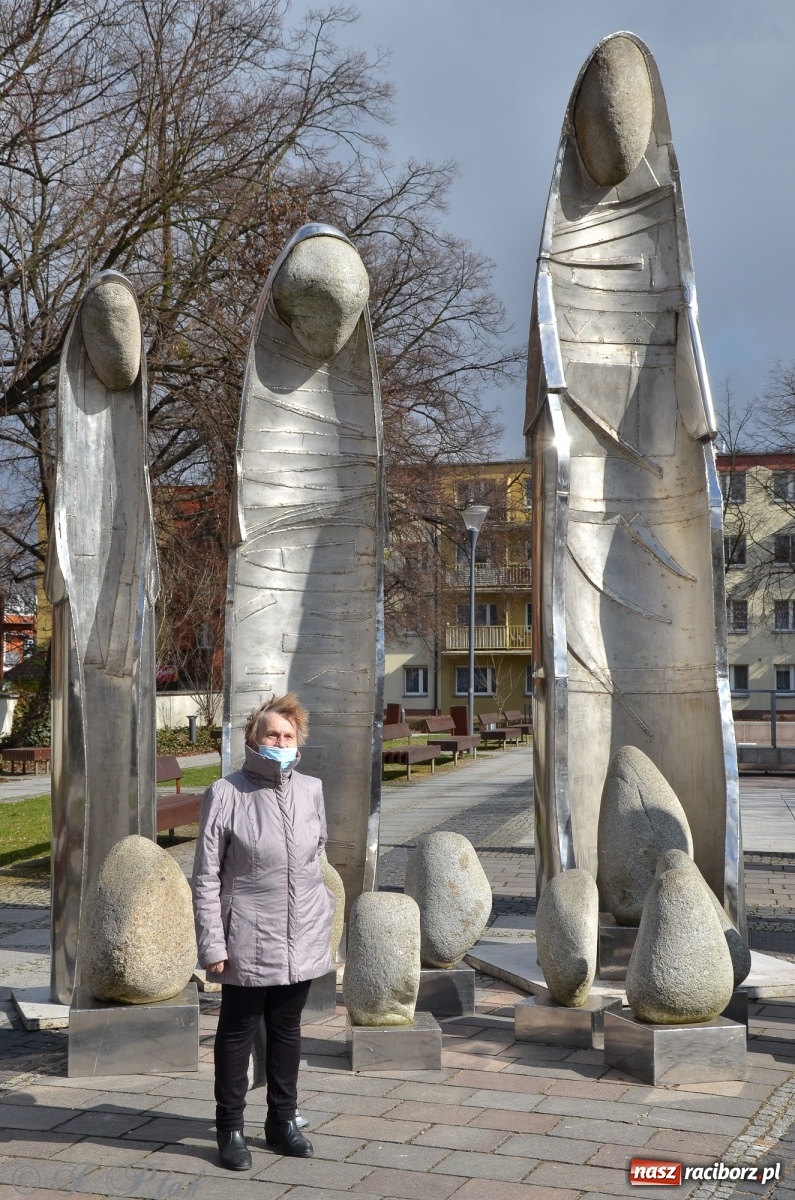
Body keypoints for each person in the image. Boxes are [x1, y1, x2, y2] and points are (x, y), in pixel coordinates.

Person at [192, 692, 335, 1171]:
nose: (280, 741)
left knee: (287, 1029)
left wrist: (323, 916)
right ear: (255, 737)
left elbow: (317, 855)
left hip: (302, 933)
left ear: (299, 742)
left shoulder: (312, 789)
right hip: (247, 936)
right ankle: (230, 1128)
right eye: (272, 733)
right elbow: (207, 875)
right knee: (236, 1031)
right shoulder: (226, 792)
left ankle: (282, 1121)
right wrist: (213, 942)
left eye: (288, 735)